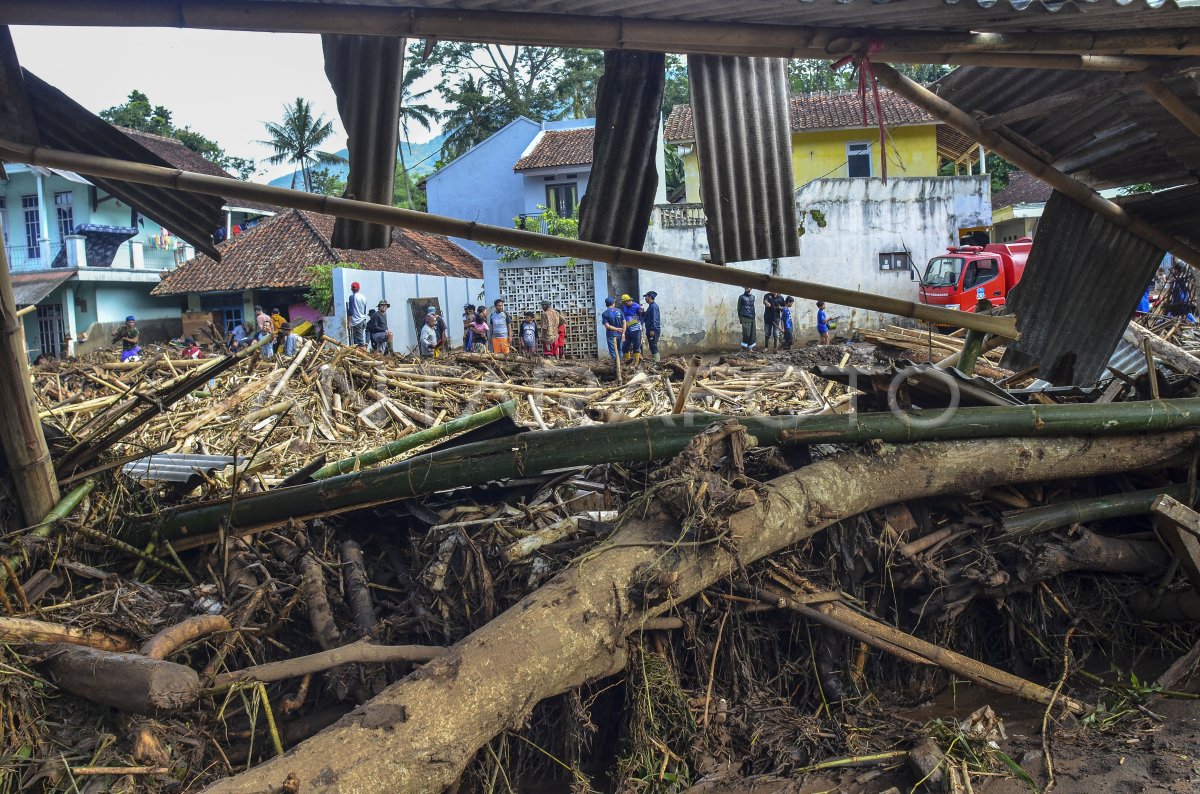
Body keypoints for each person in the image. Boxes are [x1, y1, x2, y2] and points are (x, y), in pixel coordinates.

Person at [621, 294, 644, 368]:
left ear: (629, 300)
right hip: (627, 330)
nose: (624, 303)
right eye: (623, 302)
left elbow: (641, 313)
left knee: (636, 347)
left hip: (636, 329)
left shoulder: (637, 306)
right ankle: (627, 362)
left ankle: (635, 364)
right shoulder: (624, 307)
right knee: (625, 347)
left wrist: (641, 310)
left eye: (625, 302)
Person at [601, 296, 625, 360]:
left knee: (612, 351)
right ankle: (621, 364)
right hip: (620, 334)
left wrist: (616, 329)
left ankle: (616, 364)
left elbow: (607, 326)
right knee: (620, 349)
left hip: (611, 334)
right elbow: (624, 322)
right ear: (613, 303)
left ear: (606, 304)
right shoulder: (620, 311)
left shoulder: (605, 313)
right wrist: (623, 333)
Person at [642, 291, 662, 363]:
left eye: (646, 296)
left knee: (653, 346)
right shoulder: (651, 306)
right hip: (650, 329)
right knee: (652, 346)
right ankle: (655, 362)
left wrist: (652, 329)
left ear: (650, 297)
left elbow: (655, 318)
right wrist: (643, 313)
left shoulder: (653, 306)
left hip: (653, 330)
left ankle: (657, 363)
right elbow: (648, 317)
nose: (645, 298)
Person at [347, 282, 368, 347]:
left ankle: (365, 355)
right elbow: (364, 309)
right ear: (359, 288)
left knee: (359, 343)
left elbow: (351, 310)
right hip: (363, 320)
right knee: (357, 342)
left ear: (351, 289)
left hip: (357, 322)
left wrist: (349, 322)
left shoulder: (352, 297)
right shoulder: (363, 297)